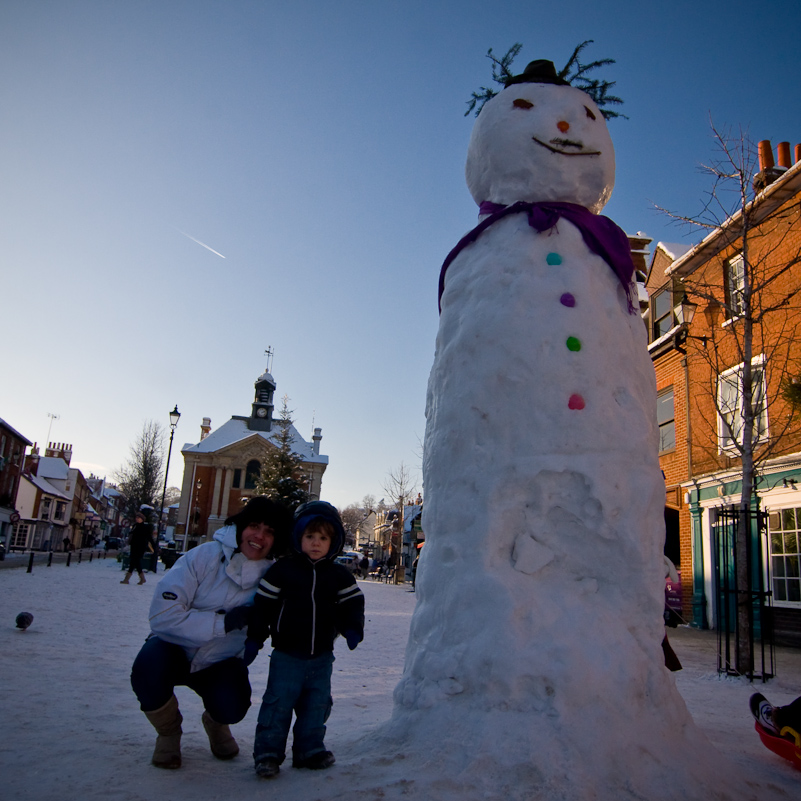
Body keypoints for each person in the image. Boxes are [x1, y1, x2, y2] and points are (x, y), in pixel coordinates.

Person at [129, 496, 292, 769]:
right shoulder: (203, 556)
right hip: (173, 649)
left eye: (270, 532)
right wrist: (224, 623)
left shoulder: (275, 578)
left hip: (221, 661)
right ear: (241, 526)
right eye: (254, 526)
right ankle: (168, 732)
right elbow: (162, 615)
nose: (259, 537)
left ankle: (216, 724)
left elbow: (295, 617)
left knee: (234, 705)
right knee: (148, 669)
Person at [247, 501, 365, 779]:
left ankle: (309, 749)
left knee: (317, 704)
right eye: (310, 536)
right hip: (287, 655)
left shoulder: (338, 575)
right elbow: (263, 605)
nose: (315, 543)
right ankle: (268, 753)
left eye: (323, 538)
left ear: (332, 542)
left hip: (322, 656)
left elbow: (353, 603)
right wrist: (255, 639)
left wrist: (352, 628)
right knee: (277, 704)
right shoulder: (283, 570)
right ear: (298, 537)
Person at [121, 511, 155, 585]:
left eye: (139, 518)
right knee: (134, 562)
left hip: (140, 547)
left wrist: (154, 546)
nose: (137, 519)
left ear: (142, 519)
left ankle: (129, 579)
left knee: (135, 561)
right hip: (134, 546)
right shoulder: (135, 526)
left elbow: (149, 537)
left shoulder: (144, 527)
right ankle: (139, 579)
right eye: (136, 517)